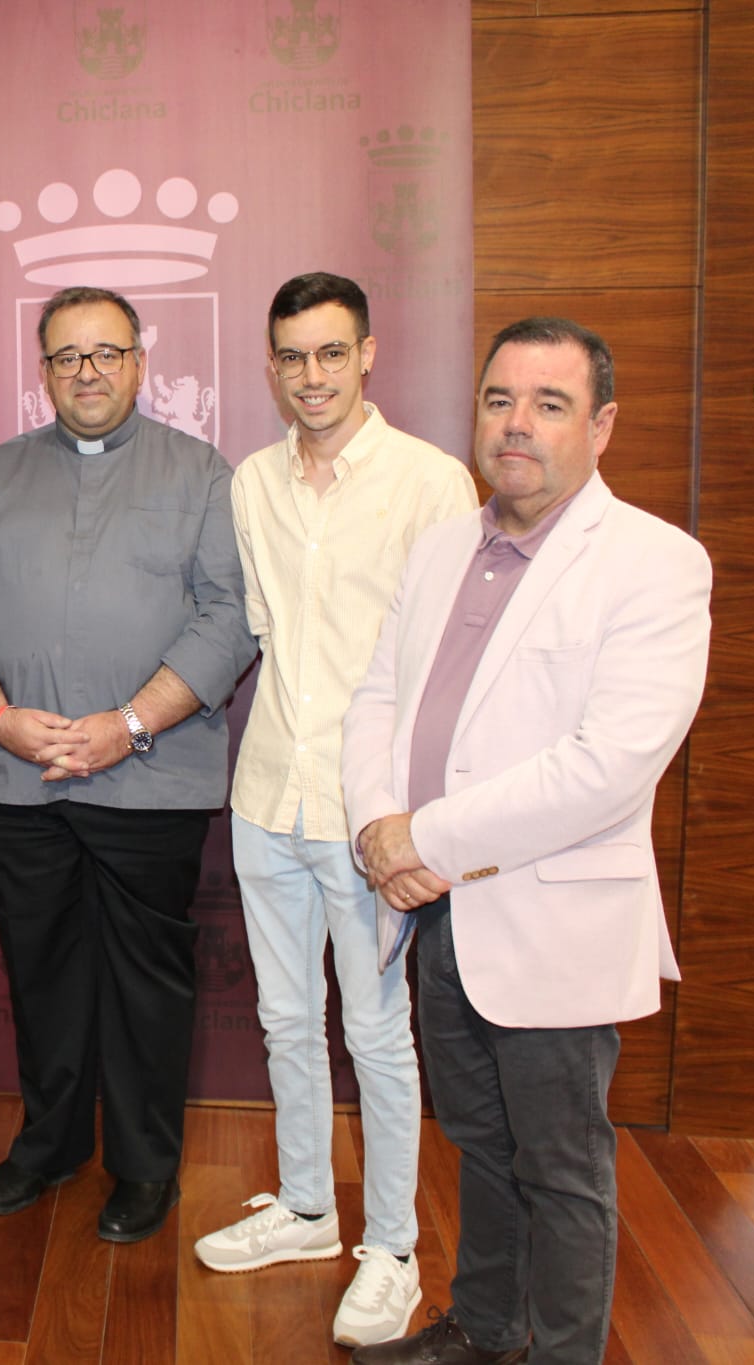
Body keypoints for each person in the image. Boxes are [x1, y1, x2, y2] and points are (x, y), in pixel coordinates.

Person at [341, 318, 711, 1365]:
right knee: (476, 1142)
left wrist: (420, 835)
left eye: (549, 405)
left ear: (600, 425)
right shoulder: (438, 548)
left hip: (550, 920)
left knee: (561, 1168)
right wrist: (374, 826)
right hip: (435, 910)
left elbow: (605, 767)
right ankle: (484, 1328)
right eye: (499, 400)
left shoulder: (653, 563)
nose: (516, 424)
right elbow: (379, 699)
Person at [0, 285, 254, 1243]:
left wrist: (128, 725)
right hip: (15, 778)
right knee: (42, 972)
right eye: (67, 356)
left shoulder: (201, 474)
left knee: (146, 981)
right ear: (44, 371)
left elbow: (230, 617)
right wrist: (0, 719)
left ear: (139, 364)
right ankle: (50, 1143)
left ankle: (145, 1168)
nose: (87, 371)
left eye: (106, 353)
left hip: (151, 775)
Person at [194, 273, 476, 1348]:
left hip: (369, 815)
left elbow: (442, 665)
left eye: (329, 353)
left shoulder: (429, 483)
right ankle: (308, 1208)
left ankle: (393, 1249)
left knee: (375, 1030)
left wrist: (407, 814)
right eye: (291, 357)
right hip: (267, 791)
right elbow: (265, 633)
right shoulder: (251, 484)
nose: (310, 376)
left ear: (366, 355)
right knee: (283, 1018)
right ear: (270, 367)